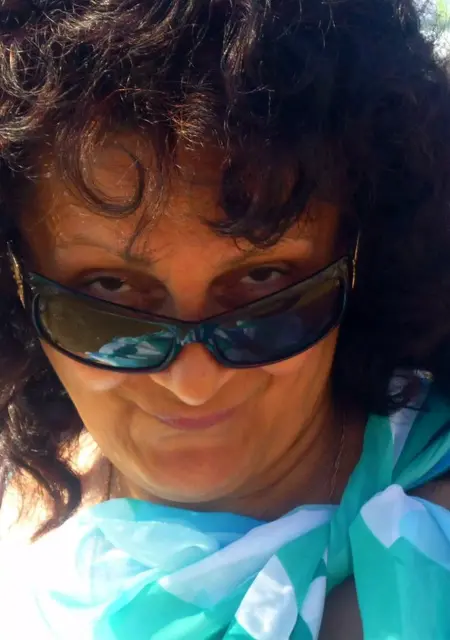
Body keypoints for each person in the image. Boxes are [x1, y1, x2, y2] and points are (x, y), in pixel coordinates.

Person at [1, 0, 450, 637]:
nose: (192, 383)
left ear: (358, 259)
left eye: (266, 286)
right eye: (107, 295)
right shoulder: (21, 488)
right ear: (17, 282)